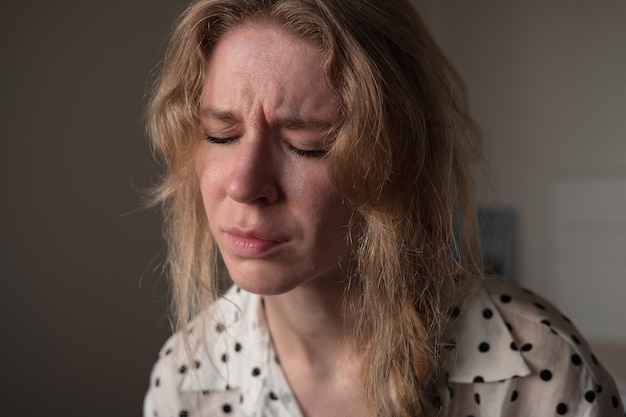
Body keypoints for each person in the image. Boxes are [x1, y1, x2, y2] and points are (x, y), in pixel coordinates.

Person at [143, 0, 624, 416]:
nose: (246, 185)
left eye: (306, 144)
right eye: (220, 134)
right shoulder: (188, 377)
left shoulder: (538, 370)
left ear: (395, 158)